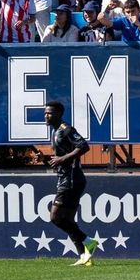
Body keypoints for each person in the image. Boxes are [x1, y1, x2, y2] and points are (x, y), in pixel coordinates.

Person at [42, 100, 98, 267]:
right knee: (68, 219)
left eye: (50, 113)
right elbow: (62, 157)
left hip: (71, 179)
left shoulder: (66, 130)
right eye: (45, 113)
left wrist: (61, 159)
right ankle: (84, 255)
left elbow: (83, 146)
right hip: (66, 177)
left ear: (59, 114)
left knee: (56, 218)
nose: (46, 115)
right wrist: (51, 160)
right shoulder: (55, 132)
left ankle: (88, 241)